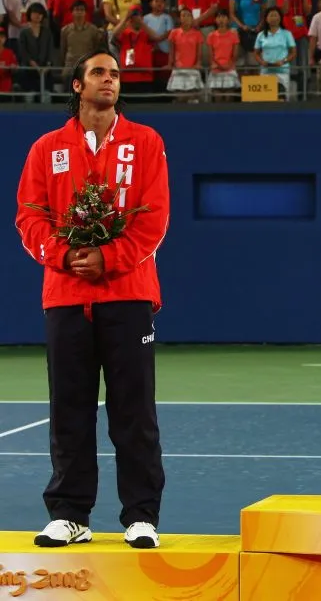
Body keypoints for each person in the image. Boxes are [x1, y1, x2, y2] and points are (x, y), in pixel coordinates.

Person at [14, 50, 170, 549]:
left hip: (128, 293)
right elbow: (29, 217)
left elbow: (155, 220)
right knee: (69, 409)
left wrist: (110, 257)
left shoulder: (144, 142)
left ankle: (140, 516)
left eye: (116, 74)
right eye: (99, 72)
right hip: (65, 295)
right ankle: (69, 514)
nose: (110, 80)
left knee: (134, 411)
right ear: (77, 86)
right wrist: (63, 255)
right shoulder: (46, 148)